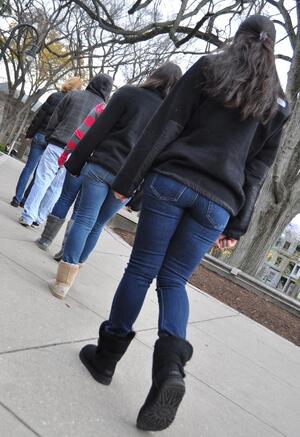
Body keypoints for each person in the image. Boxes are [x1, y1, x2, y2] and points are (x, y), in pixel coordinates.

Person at [77, 16, 289, 432]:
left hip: (173, 181)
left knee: (141, 270)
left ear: (239, 36)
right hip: (219, 203)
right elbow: (257, 170)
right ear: (271, 49)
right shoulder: (277, 106)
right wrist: (237, 226)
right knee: (173, 282)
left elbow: (165, 125)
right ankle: (170, 368)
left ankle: (105, 359)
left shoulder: (210, 69)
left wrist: (127, 180)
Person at [49, 62, 182, 299]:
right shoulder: (171, 115)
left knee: (84, 219)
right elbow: (160, 159)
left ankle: (63, 281)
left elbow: (98, 129)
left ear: (155, 75)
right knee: (98, 224)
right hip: (130, 180)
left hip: (101, 165)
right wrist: (140, 196)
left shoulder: (128, 94)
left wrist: (76, 162)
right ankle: (75, 269)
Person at [18, 73, 113, 227]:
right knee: (57, 187)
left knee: (42, 180)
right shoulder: (104, 109)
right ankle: (40, 218)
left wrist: (49, 135)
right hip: (78, 153)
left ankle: (28, 215)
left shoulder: (73, 96)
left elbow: (55, 117)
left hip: (58, 142)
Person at [35, 102, 106, 252]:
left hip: (80, 158)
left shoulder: (101, 108)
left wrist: (66, 153)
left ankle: (45, 240)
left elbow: (80, 133)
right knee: (81, 209)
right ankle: (66, 250)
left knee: (65, 198)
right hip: (100, 165)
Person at [10, 77, 82, 208]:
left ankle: (17, 197)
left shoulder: (54, 96)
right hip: (55, 141)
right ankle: (25, 199)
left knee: (28, 168)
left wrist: (30, 134)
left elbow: (39, 116)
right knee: (41, 172)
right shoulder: (74, 103)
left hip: (40, 135)